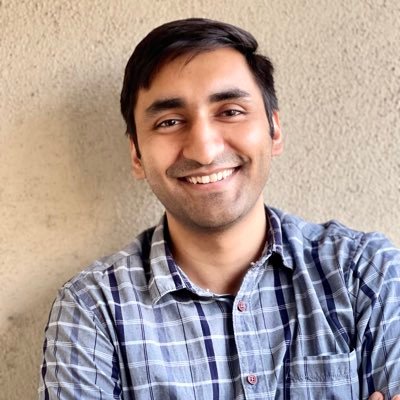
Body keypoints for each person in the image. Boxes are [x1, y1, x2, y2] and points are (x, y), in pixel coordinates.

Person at [38, 18, 400, 400]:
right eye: (170, 121)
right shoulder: (92, 310)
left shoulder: (364, 273)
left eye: (230, 112)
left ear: (274, 130)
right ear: (137, 155)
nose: (204, 150)